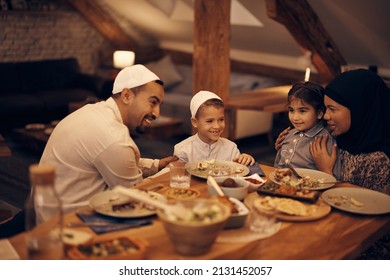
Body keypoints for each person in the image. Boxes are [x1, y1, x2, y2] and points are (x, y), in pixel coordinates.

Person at [40, 64, 177, 214]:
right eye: (153, 102)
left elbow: (112, 160)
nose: (157, 114)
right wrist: (167, 175)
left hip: (45, 208)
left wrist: (156, 166)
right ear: (126, 95)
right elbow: (136, 197)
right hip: (65, 223)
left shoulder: (92, 111)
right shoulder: (114, 137)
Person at [309, 69, 390, 194]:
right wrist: (289, 140)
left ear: (359, 109)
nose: (326, 116)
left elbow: (371, 206)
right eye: (326, 108)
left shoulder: (380, 160)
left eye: (332, 109)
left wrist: (326, 172)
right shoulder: (339, 136)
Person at [273, 82, 340, 176]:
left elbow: (333, 177)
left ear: (320, 113)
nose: (295, 117)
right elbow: (277, 167)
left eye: (302, 111)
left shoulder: (324, 141)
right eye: (291, 110)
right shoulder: (288, 134)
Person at [173, 90, 255, 166]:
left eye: (221, 119)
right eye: (210, 121)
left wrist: (245, 159)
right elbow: (177, 177)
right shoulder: (183, 150)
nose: (217, 126)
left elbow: (239, 172)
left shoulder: (231, 148)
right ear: (195, 122)